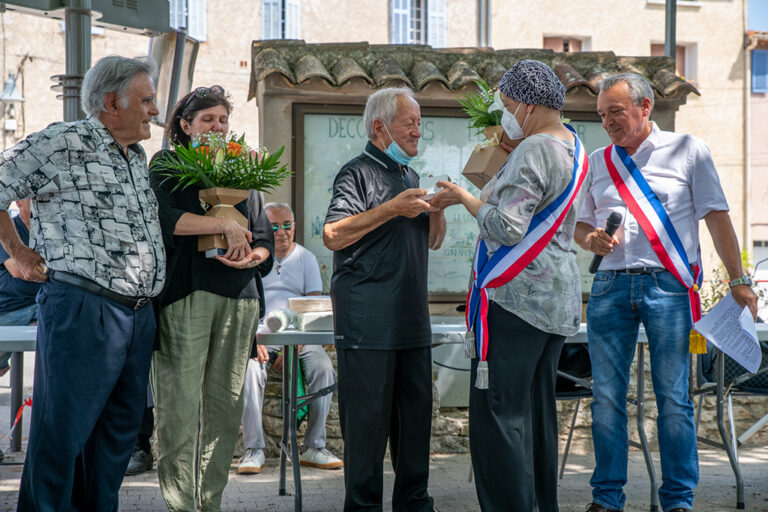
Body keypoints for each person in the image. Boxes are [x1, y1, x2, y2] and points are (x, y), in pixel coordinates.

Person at [574, 73, 758, 512]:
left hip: (668, 286)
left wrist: (738, 279)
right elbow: (580, 226)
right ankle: (607, 500)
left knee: (673, 397)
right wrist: (591, 240)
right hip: (609, 285)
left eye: (615, 112)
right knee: (606, 398)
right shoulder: (598, 161)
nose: (608, 123)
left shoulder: (689, 150)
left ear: (645, 106)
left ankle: (678, 501)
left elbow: (716, 218)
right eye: (602, 115)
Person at [0, 55, 166, 510]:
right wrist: (17, 251)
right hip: (83, 308)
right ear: (112, 102)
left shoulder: (135, 155)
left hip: (135, 317)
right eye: (147, 100)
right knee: (61, 437)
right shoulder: (63, 141)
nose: (156, 109)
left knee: (115, 442)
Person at [431, 60, 588, 511]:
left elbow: (507, 226)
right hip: (556, 302)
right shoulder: (575, 146)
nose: (505, 113)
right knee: (536, 415)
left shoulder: (535, 149)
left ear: (529, 104)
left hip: (517, 298)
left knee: (500, 415)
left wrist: (463, 197)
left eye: (507, 104)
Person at [149, 85, 274, 512]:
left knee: (225, 410)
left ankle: (210, 502)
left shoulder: (242, 167)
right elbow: (163, 219)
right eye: (207, 120)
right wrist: (220, 227)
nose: (217, 127)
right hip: (188, 294)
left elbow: (264, 240)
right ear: (185, 126)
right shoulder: (167, 163)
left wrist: (251, 253)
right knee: (178, 408)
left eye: (222, 120)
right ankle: (181, 504)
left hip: (240, 297)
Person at [323, 86, 446, 511]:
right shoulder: (355, 173)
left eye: (418, 121)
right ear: (380, 127)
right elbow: (333, 233)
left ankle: (415, 504)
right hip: (368, 321)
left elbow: (431, 241)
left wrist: (439, 208)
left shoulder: (408, 176)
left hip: (411, 320)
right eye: (409, 122)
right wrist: (392, 208)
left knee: (415, 427)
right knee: (367, 431)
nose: (418, 130)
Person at [238, 202, 342, 474]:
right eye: (274, 226)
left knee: (323, 368)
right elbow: (247, 303)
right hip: (262, 333)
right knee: (249, 372)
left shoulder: (305, 258)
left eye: (287, 225)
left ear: (294, 227)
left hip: (301, 334)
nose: (282, 232)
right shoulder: (257, 257)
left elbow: (312, 307)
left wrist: (294, 345)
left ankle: (315, 446)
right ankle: (254, 449)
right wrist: (255, 338)